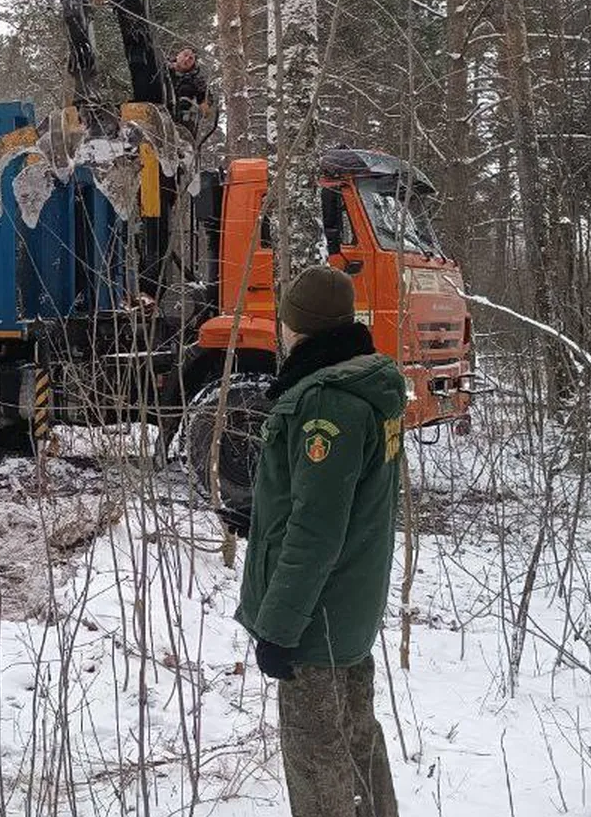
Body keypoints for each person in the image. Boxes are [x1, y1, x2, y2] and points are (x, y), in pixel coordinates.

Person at [236, 266, 403, 817]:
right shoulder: (360, 386)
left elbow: (317, 531)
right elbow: (335, 505)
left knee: (315, 751)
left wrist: (280, 629)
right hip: (348, 608)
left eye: (285, 320)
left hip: (316, 618)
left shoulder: (327, 404)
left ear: (297, 327)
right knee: (355, 735)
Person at [167, 45, 213, 137]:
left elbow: (206, 97)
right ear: (178, 55)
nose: (187, 59)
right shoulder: (162, 69)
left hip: (180, 122)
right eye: (185, 55)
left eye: (191, 58)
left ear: (194, 63)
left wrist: (205, 104)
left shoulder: (196, 80)